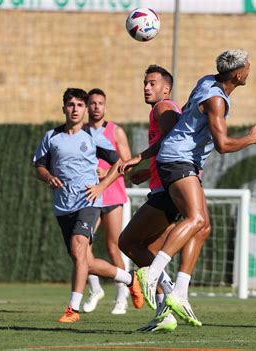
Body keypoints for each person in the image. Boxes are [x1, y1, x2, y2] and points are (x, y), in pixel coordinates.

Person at [119, 49, 256, 326]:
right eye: (248, 67)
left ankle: (179, 293)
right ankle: (153, 273)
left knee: (203, 226)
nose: (249, 70)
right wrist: (251, 138)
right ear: (238, 75)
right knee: (197, 219)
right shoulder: (216, 100)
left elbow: (183, 126)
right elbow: (223, 145)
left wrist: (146, 165)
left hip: (177, 162)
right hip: (179, 161)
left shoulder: (207, 81)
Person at [33, 88, 141, 323]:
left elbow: (120, 163)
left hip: (88, 201)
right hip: (63, 206)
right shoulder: (51, 136)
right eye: (71, 105)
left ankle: (73, 308)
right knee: (83, 260)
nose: (75, 109)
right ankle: (130, 279)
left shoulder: (94, 137)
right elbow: (39, 166)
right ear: (64, 108)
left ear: (84, 110)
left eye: (79, 105)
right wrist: (48, 177)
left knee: (79, 248)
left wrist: (101, 187)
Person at [118, 64, 211, 331]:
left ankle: (170, 290)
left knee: (128, 242)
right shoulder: (162, 109)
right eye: (145, 83)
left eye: (152, 83)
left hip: (168, 189)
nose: (146, 87)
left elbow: (171, 138)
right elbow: (171, 146)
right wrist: (149, 171)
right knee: (150, 246)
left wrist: (140, 157)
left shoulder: (164, 107)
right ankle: (166, 312)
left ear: (166, 88)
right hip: (168, 184)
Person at [83, 88, 137, 315]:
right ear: (87, 106)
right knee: (82, 245)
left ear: (105, 106)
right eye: (92, 103)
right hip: (88, 195)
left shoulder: (115, 132)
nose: (96, 107)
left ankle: (121, 298)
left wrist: (106, 173)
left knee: (114, 248)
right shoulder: (80, 131)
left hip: (112, 194)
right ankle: (95, 289)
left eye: (100, 103)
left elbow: (128, 163)